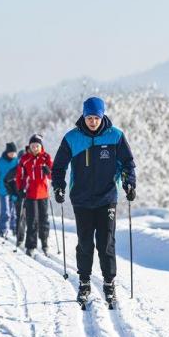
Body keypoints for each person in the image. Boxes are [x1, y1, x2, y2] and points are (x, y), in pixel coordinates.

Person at [51, 96, 136, 305]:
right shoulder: (72, 138)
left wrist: (129, 183)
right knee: (85, 242)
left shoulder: (115, 136)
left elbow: (128, 163)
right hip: (81, 199)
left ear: (102, 116)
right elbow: (59, 166)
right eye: (89, 117)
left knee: (106, 242)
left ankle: (109, 283)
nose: (92, 121)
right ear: (83, 116)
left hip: (107, 198)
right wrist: (59, 186)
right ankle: (84, 282)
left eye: (96, 117)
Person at [16, 135, 53, 257]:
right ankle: (30, 246)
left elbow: (52, 174)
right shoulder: (25, 159)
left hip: (43, 194)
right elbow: (20, 176)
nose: (35, 148)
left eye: (37, 146)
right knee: (32, 221)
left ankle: (44, 243)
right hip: (30, 194)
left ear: (41, 146)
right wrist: (20, 188)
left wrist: (49, 171)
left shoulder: (46, 157)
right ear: (29, 146)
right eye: (33, 146)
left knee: (44, 220)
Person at [3, 148, 27, 247]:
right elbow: (6, 180)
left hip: (31, 196)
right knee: (20, 217)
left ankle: (29, 237)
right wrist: (12, 193)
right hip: (18, 196)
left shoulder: (31, 168)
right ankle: (19, 237)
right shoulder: (15, 170)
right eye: (20, 159)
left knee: (30, 217)